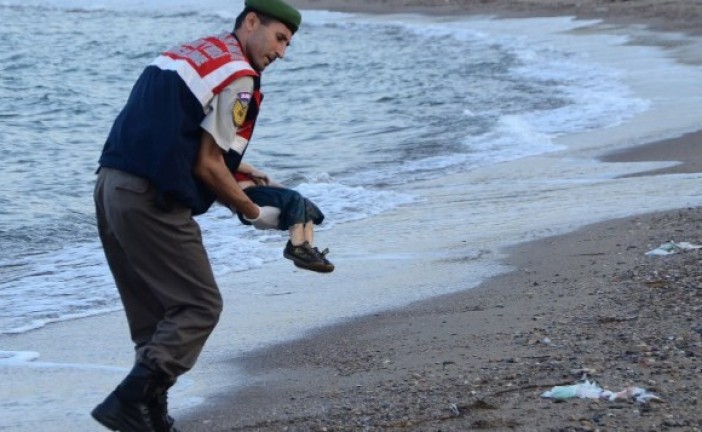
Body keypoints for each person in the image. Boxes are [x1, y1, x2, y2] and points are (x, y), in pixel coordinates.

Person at [91, 1, 302, 430]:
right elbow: (206, 166)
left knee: (153, 320)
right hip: (151, 199)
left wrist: (237, 168)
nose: (282, 52)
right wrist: (253, 210)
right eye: (280, 38)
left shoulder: (191, 51)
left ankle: (151, 419)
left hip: (110, 186)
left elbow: (171, 126)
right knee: (198, 306)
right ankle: (127, 402)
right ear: (251, 21)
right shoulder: (240, 75)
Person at [233, 161, 334, 273]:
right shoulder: (223, 162)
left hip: (262, 191)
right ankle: (296, 248)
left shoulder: (238, 165)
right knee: (294, 197)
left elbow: (271, 184)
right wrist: (252, 170)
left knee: (305, 204)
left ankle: (307, 252)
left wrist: (290, 196)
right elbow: (229, 161)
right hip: (247, 195)